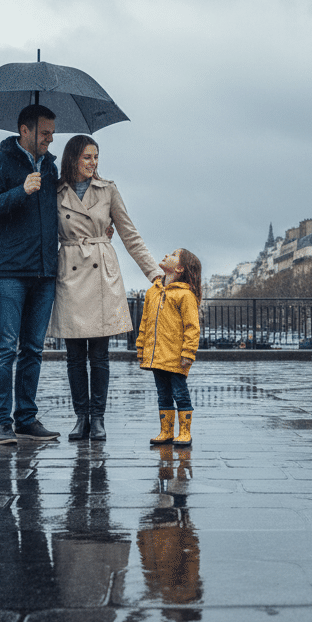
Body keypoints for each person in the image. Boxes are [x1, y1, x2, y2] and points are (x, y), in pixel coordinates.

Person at [48, 135, 163, 442]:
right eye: (87, 157)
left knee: (99, 355)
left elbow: (129, 234)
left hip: (100, 269)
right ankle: (80, 417)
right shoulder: (55, 192)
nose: (94, 162)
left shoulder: (108, 189)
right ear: (72, 158)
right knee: (74, 355)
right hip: (70, 268)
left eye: (96, 157)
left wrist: (154, 272)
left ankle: (97, 418)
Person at [0, 104, 61, 444]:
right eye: (44, 134)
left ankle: (26, 418)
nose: (49, 140)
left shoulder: (52, 169)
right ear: (24, 130)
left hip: (44, 271)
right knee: (5, 347)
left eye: (52, 134)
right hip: (9, 270)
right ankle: (1, 422)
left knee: (33, 350)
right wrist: (21, 190)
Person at [135, 249, 202, 446]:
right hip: (157, 356)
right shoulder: (152, 292)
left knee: (180, 394)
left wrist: (188, 353)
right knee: (163, 394)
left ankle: (184, 432)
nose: (166, 254)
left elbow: (192, 328)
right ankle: (166, 431)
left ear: (179, 268)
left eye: (173, 255)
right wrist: (141, 348)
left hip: (176, 357)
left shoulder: (185, 295)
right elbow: (144, 323)